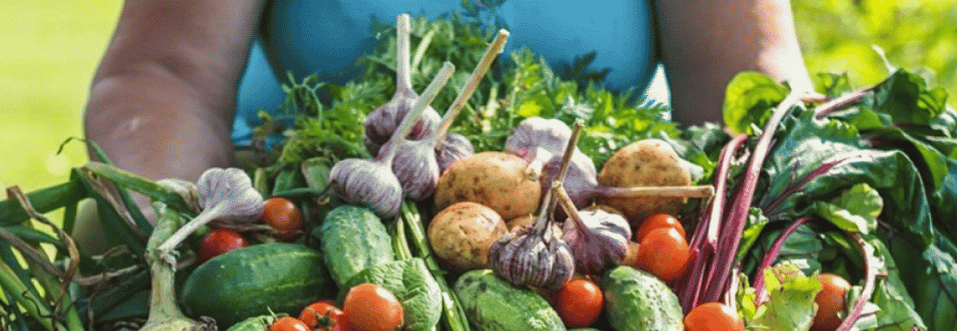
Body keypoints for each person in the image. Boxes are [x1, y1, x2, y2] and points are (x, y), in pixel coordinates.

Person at [83, 0, 812, 188]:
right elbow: (161, 77)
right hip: (312, 215)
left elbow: (749, 88)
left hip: (591, 225)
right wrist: (175, 225)